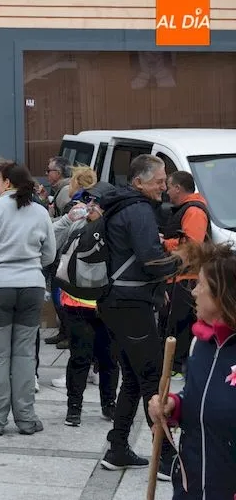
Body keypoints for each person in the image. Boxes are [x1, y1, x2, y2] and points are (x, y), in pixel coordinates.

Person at [97, 154, 177, 473]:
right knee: (152, 377)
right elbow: (150, 260)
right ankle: (166, 457)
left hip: (114, 302)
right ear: (139, 181)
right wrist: (182, 263)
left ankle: (117, 448)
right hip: (132, 304)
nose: (163, 187)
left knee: (131, 376)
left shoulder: (118, 204)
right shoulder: (139, 209)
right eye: (159, 181)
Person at [0, 162, 56, 436]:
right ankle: (26, 418)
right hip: (31, 287)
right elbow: (50, 254)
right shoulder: (39, 211)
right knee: (25, 354)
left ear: (5, 182)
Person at [148, 242, 236, 499]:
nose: (193, 292)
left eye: (200, 285)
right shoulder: (201, 343)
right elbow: (198, 397)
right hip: (192, 486)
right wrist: (172, 406)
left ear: (223, 296)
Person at [51, 180, 120, 427]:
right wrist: (67, 219)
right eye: (89, 200)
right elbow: (52, 242)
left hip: (106, 305)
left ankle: (109, 405)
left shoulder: (116, 228)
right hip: (75, 304)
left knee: (109, 358)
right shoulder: (77, 224)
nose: (90, 206)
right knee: (79, 357)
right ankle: (74, 408)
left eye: (97, 202)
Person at [159, 170, 210, 379]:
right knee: (172, 322)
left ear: (178, 188)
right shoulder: (186, 209)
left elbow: (192, 245)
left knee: (178, 323)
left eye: (169, 186)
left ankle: (177, 366)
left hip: (185, 279)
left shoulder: (194, 211)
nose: (166, 190)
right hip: (177, 277)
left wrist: (164, 243)